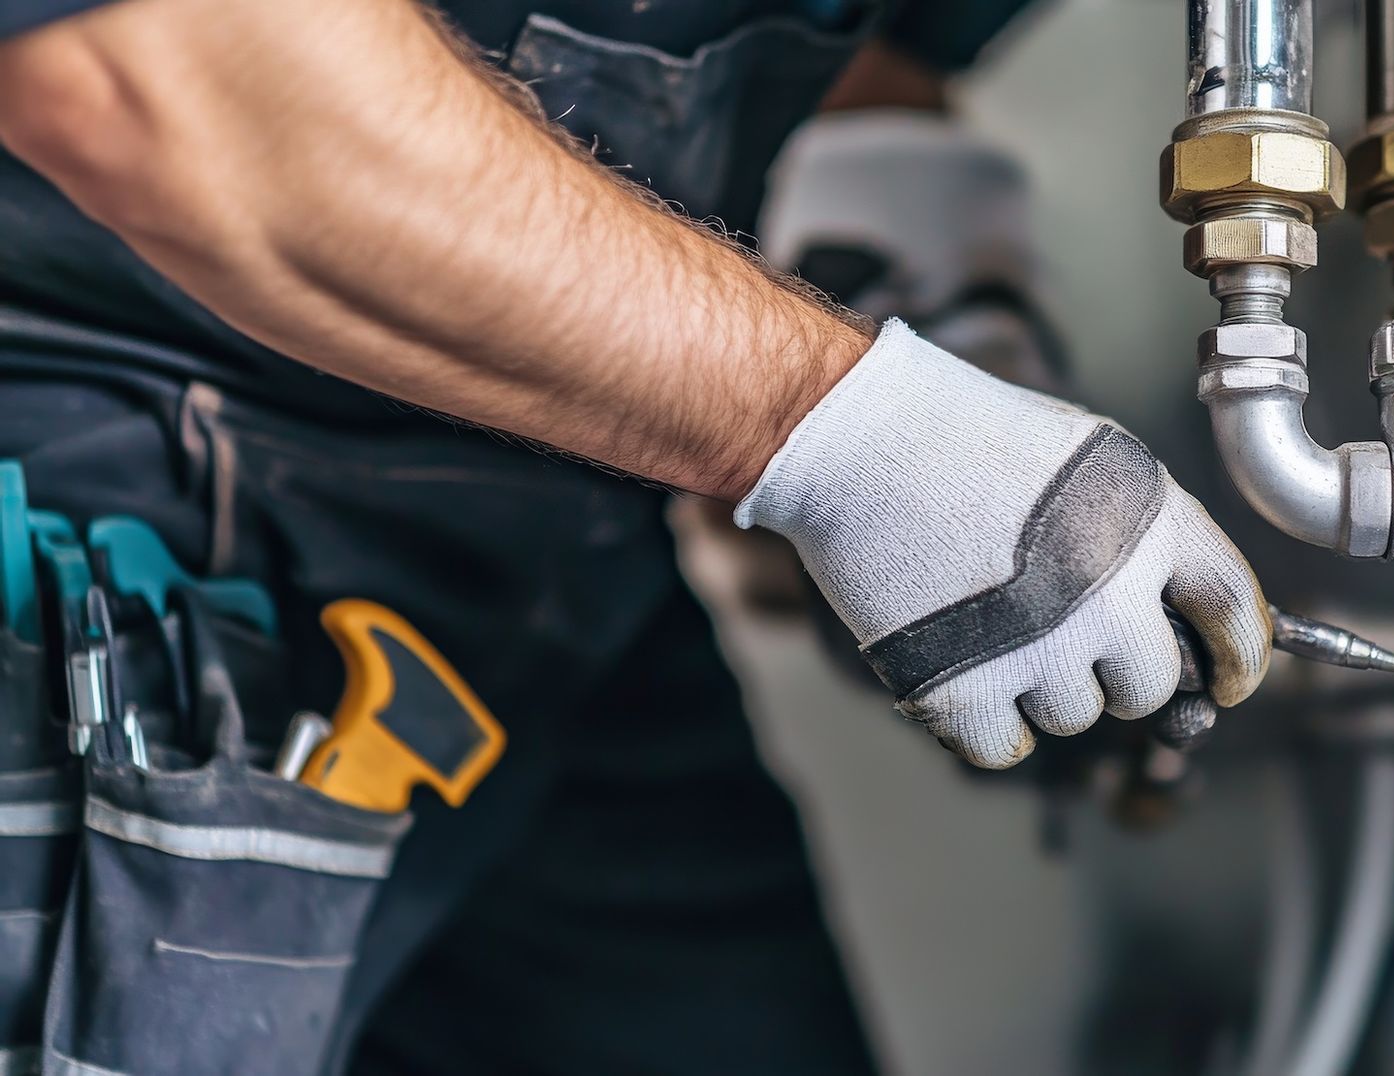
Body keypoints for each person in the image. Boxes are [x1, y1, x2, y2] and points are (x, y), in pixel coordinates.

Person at [0, 0, 1272, 1071]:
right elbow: (165, 74)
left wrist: (914, 284)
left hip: (557, 553)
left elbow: (873, 66)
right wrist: (862, 435)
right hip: (105, 483)